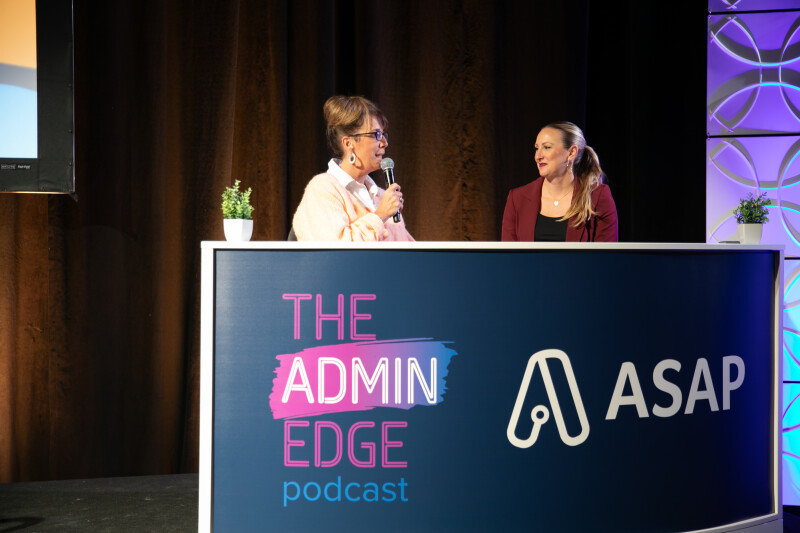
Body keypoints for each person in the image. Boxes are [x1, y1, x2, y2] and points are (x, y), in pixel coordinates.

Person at [291, 95, 414, 241]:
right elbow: (336, 250)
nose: (384, 142)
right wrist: (380, 215)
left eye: (383, 134)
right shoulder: (323, 189)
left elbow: (408, 253)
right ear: (349, 143)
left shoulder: (381, 197)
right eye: (376, 134)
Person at [501, 122, 618, 242]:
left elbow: (606, 257)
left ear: (571, 152)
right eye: (537, 148)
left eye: (546, 147)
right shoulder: (517, 198)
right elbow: (509, 257)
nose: (538, 156)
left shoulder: (597, 196)